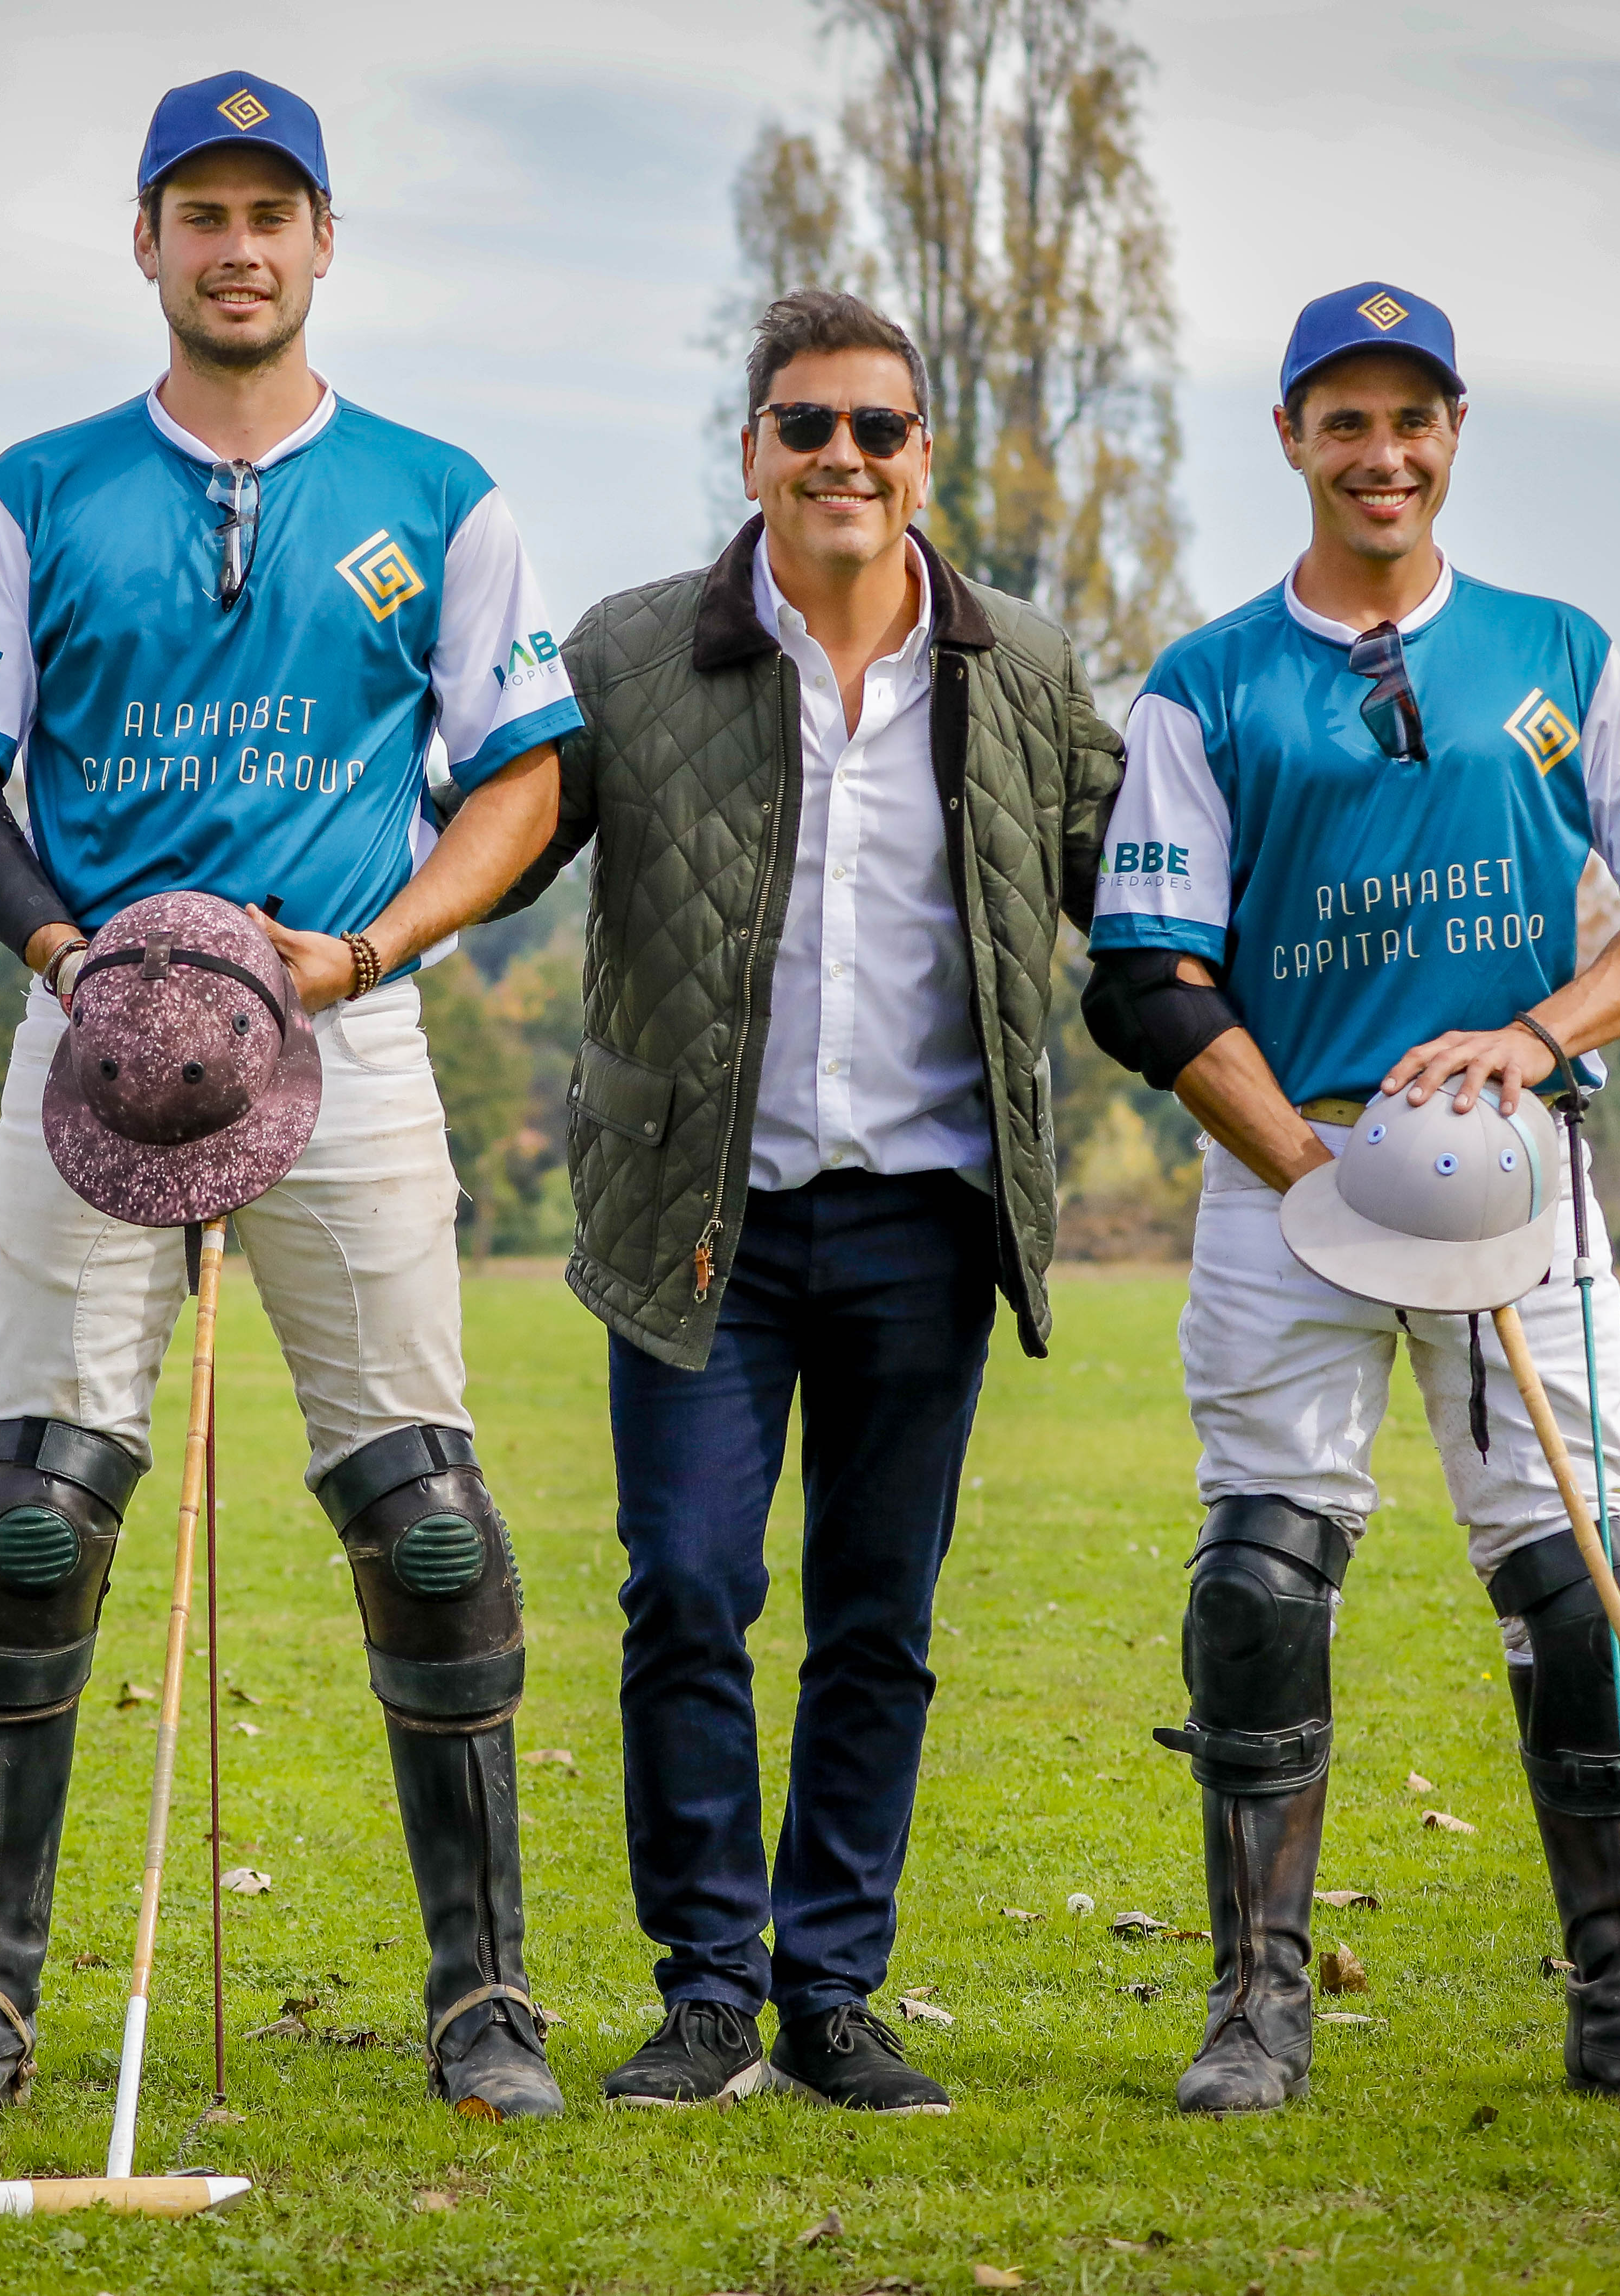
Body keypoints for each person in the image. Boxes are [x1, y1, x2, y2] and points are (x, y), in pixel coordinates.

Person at [0, 71, 580, 2127]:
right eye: (203, 212)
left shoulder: (439, 494)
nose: (239, 246)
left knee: (426, 1517)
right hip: (94, 1041)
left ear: (323, 243)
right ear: (147, 241)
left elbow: (525, 781)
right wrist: (65, 959)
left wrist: (364, 953)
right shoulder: (36, 488)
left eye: (274, 213)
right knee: (33, 1512)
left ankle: (484, 1996)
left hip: (343, 1036)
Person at [1082, 281, 1620, 2117]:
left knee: (1581, 1579)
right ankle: (1255, 2004)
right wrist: (1311, 1169)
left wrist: (1539, 1035)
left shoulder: (1559, 653)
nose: (1379, 454)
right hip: (1288, 1168)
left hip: (1515, 1182)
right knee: (1258, 1574)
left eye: (1411, 419)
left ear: (1453, 433)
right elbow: (1147, 977)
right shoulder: (1207, 681)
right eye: (1345, 421)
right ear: (1291, 439)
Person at [492, 290, 1125, 2113]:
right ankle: (705, 1992)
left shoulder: (1023, 666)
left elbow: (1144, 892)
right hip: (702, 1214)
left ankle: (830, 1992)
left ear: (924, 456)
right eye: (805, 425)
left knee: (876, 1616)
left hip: (927, 1218)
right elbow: (487, 839)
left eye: (876, 428)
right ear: (751, 449)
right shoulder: (629, 653)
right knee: (687, 1589)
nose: (841, 455)